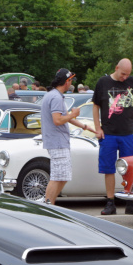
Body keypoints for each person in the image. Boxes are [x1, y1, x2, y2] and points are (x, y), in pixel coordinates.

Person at [93, 58, 133, 215]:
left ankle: (130, 202)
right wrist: (97, 128)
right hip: (108, 133)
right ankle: (110, 202)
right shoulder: (103, 82)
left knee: (129, 169)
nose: (125, 78)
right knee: (108, 168)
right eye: (123, 74)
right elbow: (96, 105)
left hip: (128, 133)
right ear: (116, 68)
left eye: (128, 75)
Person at [40, 69, 95, 205]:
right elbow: (58, 120)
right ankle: (48, 204)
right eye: (70, 80)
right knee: (58, 176)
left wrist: (85, 127)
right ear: (66, 81)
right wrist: (74, 114)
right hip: (57, 142)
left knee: (63, 176)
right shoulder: (56, 97)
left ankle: (50, 203)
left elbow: (65, 117)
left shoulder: (53, 95)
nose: (71, 83)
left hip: (57, 141)